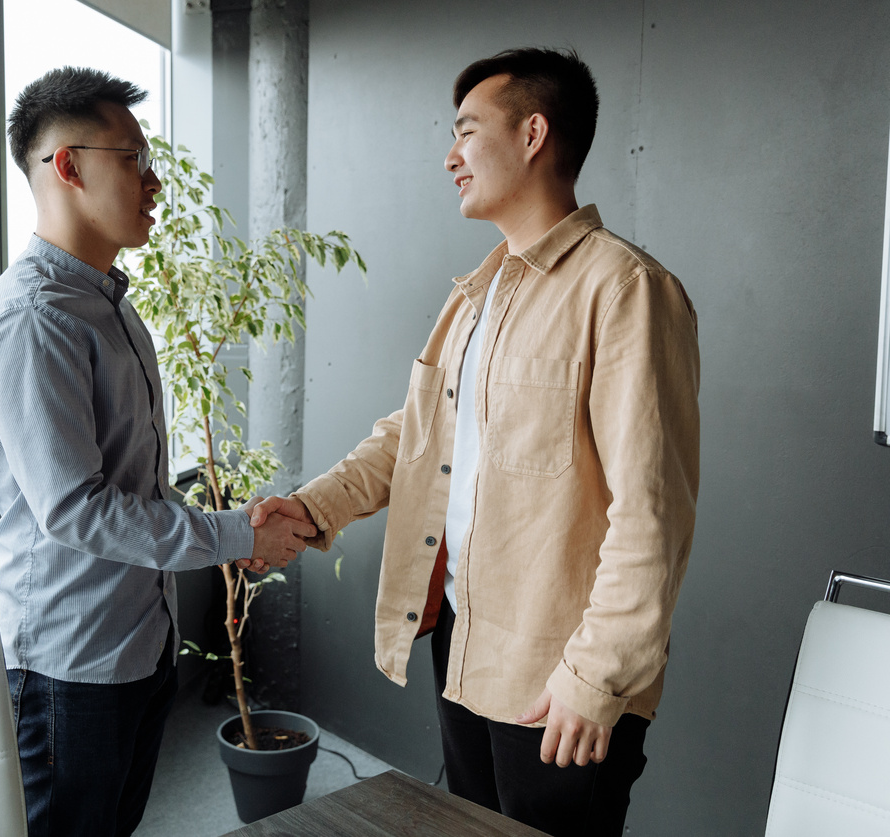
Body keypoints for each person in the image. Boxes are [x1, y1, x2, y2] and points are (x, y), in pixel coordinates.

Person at [248, 48, 700, 836]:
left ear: (533, 133)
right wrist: (310, 507)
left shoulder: (626, 289)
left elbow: (652, 512)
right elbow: (414, 436)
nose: (450, 156)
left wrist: (594, 678)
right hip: (461, 640)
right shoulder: (476, 293)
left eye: (466, 131)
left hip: (558, 671)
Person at [0, 67, 315, 837]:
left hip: (137, 645)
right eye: (134, 160)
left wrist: (231, 536)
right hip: (70, 664)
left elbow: (138, 487)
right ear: (69, 166)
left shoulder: (107, 303)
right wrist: (237, 535)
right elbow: (76, 509)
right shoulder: (34, 319)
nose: (154, 183)